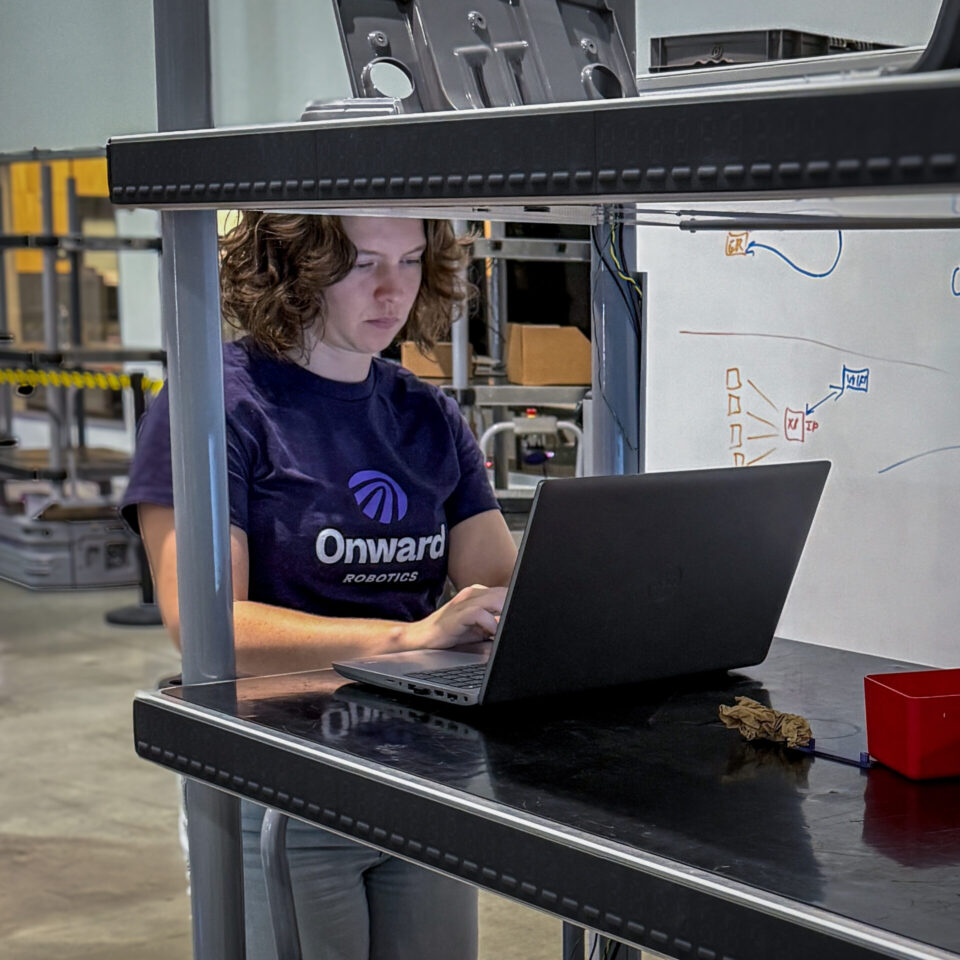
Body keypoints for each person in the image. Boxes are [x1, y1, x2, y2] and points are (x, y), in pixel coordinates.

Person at [122, 212, 518, 960]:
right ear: (292, 267)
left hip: (421, 772)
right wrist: (406, 638)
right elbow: (208, 626)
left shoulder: (426, 414)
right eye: (362, 263)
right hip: (278, 786)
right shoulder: (212, 408)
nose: (392, 289)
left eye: (410, 260)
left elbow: (501, 588)